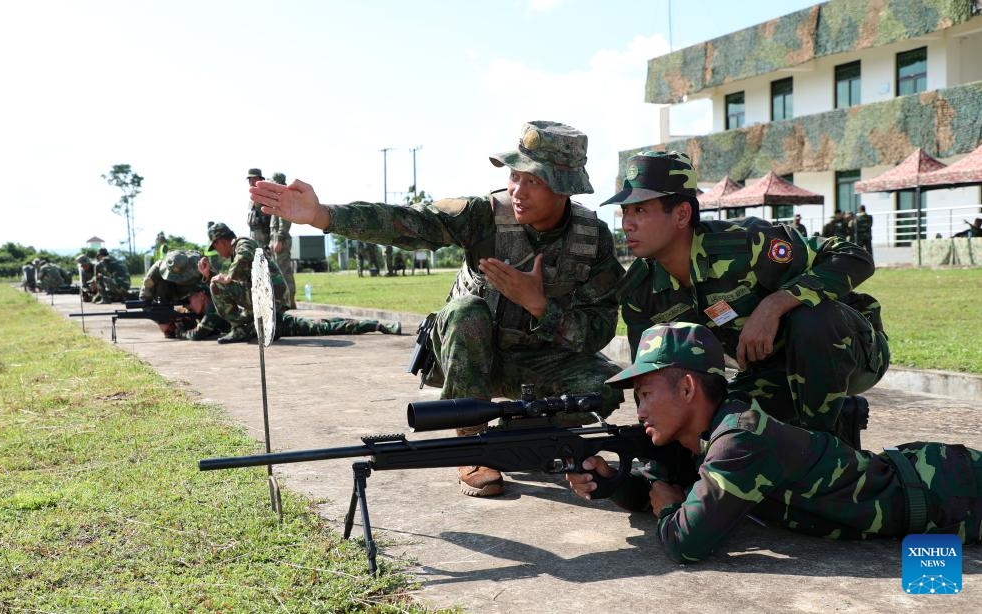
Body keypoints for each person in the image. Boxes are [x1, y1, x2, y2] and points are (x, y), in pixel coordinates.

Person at [251, 120, 627, 498]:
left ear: (564, 186)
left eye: (534, 181)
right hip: (473, 358)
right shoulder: (483, 216)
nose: (518, 190)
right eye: (515, 176)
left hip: (540, 364)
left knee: (606, 387)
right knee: (466, 312)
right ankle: (472, 445)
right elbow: (410, 222)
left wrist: (538, 304)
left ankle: (542, 441)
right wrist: (323, 215)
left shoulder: (592, 239)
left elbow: (599, 329)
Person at [567, 322, 982, 564]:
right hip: (934, 493)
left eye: (645, 394)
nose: (638, 410)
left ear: (688, 388)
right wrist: (613, 481)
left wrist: (670, 504)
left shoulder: (739, 440)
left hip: (947, 492)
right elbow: (660, 486)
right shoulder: (706, 436)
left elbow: (685, 541)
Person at [606, 151, 888, 448]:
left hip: (849, 353)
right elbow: (652, 380)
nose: (627, 223)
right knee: (724, 435)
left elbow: (854, 257)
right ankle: (815, 428)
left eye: (640, 210)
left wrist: (774, 305)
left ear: (681, 215)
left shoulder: (745, 245)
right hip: (767, 373)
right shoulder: (640, 291)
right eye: (625, 211)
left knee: (812, 319)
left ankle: (826, 448)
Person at [205, 222, 399, 343]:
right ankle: (377, 325)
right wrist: (212, 275)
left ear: (221, 242)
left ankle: (239, 329)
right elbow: (231, 288)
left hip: (270, 305)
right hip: (270, 318)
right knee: (322, 326)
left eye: (216, 248)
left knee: (217, 284)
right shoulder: (236, 255)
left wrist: (226, 278)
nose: (218, 253)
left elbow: (240, 263)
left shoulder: (241, 243)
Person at [269, 172, 297, 309]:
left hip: (281, 239)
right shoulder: (278, 197)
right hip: (276, 237)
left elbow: (284, 222)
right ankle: (285, 300)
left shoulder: (283, 198)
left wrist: (279, 239)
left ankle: (290, 300)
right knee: (280, 270)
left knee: (284, 270)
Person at [246, 168, 272, 249]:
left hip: (264, 237)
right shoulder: (253, 197)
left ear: (260, 180)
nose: (251, 181)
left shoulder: (265, 195)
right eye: (249, 179)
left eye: (254, 178)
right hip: (254, 235)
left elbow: (272, 217)